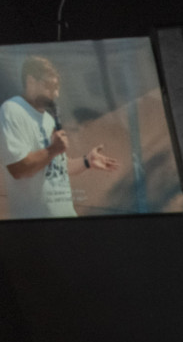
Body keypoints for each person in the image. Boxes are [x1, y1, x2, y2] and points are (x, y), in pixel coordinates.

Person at [1, 55, 119, 219]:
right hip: (36, 225)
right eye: (50, 87)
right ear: (31, 81)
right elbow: (18, 169)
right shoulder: (12, 110)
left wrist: (87, 161)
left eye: (57, 88)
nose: (56, 94)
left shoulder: (48, 119)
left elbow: (56, 167)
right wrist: (53, 149)